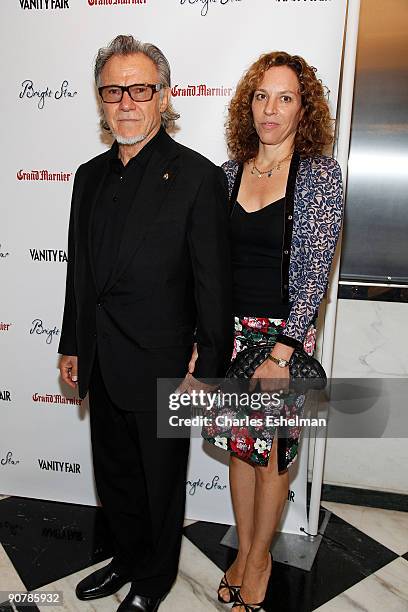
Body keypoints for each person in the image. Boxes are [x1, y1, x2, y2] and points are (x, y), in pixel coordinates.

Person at [58, 35, 232, 612]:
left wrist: (206, 369)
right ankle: (127, 558)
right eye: (114, 91)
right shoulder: (87, 176)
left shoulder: (196, 177)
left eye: (139, 89)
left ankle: (154, 580)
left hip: (164, 366)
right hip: (102, 359)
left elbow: (213, 286)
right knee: (116, 480)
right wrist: (71, 342)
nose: (126, 102)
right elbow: (78, 271)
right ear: (102, 100)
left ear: (163, 96)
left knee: (160, 485)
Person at [191, 51, 343, 611]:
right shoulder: (227, 175)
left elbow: (314, 273)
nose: (270, 109)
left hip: (285, 339)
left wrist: (282, 352)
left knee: (274, 451)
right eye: (261, 96)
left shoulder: (319, 178)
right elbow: (207, 270)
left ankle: (259, 557)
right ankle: (245, 549)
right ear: (247, 105)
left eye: (285, 97)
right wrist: (202, 341)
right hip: (231, 337)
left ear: (304, 109)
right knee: (239, 451)